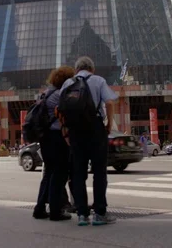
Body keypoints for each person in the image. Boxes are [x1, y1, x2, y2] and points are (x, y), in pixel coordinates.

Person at [60, 56, 118, 226]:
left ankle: (82, 215)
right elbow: (109, 102)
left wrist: (66, 130)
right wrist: (108, 123)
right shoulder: (98, 80)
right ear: (92, 69)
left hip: (76, 131)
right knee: (99, 171)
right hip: (95, 128)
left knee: (78, 173)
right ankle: (100, 213)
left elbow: (62, 109)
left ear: (77, 69)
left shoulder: (67, 84)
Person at [33, 66, 75, 221]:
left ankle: (39, 208)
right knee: (60, 173)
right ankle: (56, 211)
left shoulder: (44, 94)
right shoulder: (60, 95)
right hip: (58, 137)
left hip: (45, 138)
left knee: (49, 172)